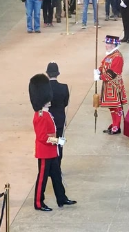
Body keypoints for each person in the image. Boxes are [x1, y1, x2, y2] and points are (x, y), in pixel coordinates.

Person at [29, 74, 76, 211]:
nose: (50, 101)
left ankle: (61, 197)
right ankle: (38, 202)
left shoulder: (46, 113)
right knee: (42, 180)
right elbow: (43, 137)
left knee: (56, 176)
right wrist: (57, 140)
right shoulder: (41, 116)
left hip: (51, 151)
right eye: (47, 100)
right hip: (45, 152)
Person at [97, 35, 127, 135]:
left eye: (108, 44)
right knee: (112, 107)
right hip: (108, 85)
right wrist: (99, 71)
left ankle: (116, 126)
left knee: (116, 106)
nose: (106, 45)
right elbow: (103, 65)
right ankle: (114, 123)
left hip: (114, 85)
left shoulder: (117, 57)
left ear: (113, 44)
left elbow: (112, 73)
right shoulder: (110, 55)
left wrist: (100, 77)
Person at [46, 62, 69, 166]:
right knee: (59, 142)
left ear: (47, 74)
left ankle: (51, 165)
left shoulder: (45, 89)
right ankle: (58, 165)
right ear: (57, 74)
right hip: (60, 119)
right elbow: (65, 103)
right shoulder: (64, 87)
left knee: (50, 142)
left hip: (49, 120)